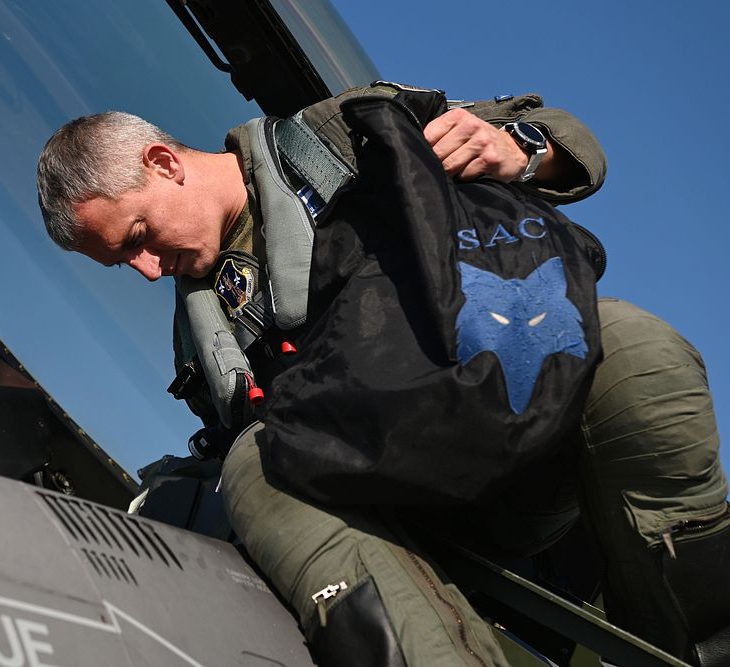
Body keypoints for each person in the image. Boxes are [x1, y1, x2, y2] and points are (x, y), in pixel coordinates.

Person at [36, 82, 730, 666]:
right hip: (398, 511)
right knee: (254, 461)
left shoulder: (341, 140)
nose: (149, 269)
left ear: (163, 162)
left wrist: (521, 150)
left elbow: (569, 139)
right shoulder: (204, 341)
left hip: (504, 421)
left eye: (137, 238)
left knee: (629, 344)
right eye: (125, 262)